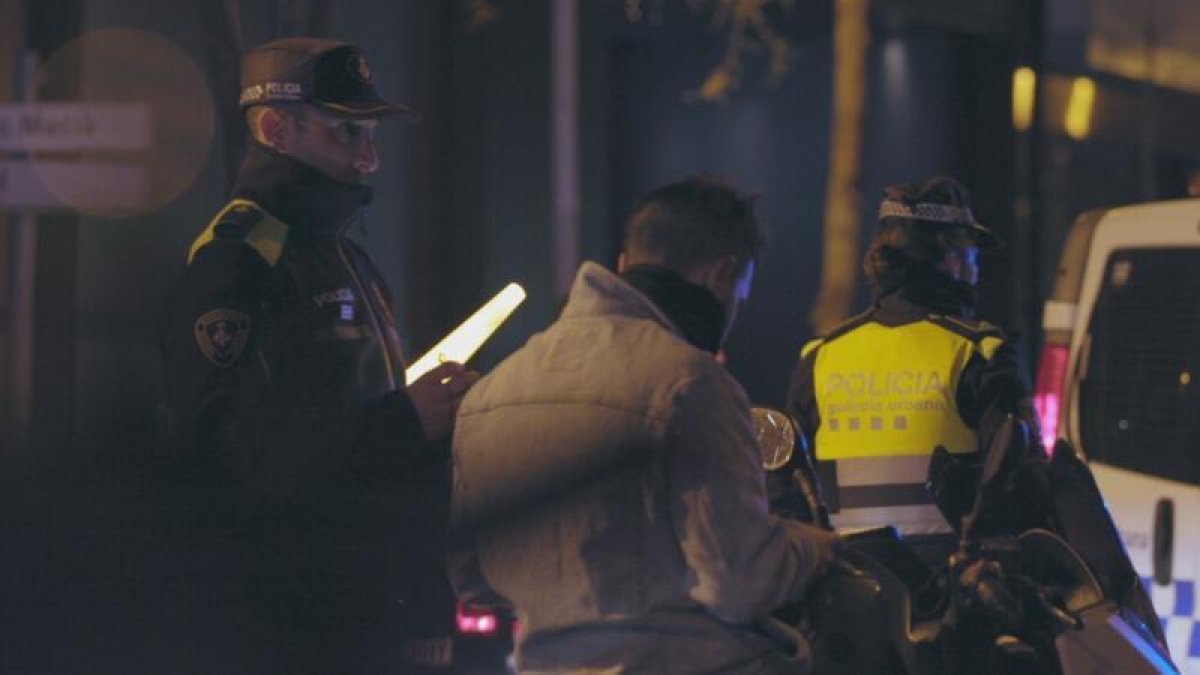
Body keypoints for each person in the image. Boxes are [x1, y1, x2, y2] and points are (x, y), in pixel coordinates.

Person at [159, 37, 476, 672]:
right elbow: (228, 453)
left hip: (365, 608)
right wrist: (405, 423)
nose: (369, 156)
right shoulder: (237, 262)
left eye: (371, 134)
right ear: (277, 128)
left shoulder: (345, 256)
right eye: (345, 133)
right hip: (291, 621)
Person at [449, 176, 839, 674]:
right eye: (739, 297)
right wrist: (816, 548)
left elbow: (472, 577)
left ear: (623, 266)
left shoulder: (491, 392)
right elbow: (740, 580)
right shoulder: (691, 384)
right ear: (724, 276)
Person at [786, 176, 1037, 539]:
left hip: (848, 584)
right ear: (952, 260)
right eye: (973, 255)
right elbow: (1023, 485)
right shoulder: (980, 353)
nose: (977, 270)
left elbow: (788, 488)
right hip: (952, 588)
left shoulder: (822, 356)